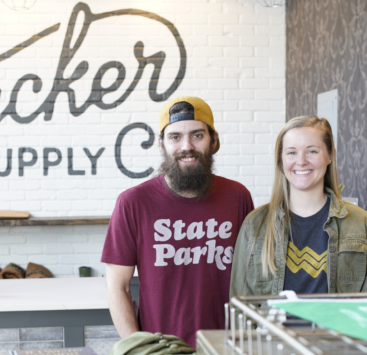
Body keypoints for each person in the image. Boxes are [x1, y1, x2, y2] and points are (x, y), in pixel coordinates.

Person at [101, 96, 254, 347]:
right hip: (162, 349)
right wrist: (139, 349)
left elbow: (253, 280)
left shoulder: (238, 197)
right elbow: (118, 288)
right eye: (175, 137)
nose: (186, 146)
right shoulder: (133, 203)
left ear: (214, 141)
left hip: (226, 348)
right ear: (161, 144)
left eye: (197, 135)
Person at [230, 115, 367, 298]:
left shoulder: (360, 222)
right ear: (281, 160)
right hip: (272, 328)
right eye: (292, 152)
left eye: (312, 151)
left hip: (339, 328)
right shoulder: (255, 224)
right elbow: (240, 307)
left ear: (330, 155)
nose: (301, 161)